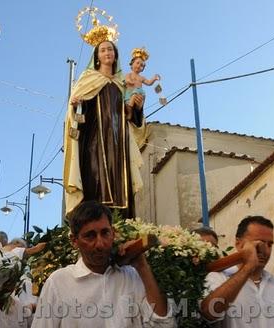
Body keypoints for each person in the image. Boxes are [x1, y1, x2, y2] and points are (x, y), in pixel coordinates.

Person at [31, 200, 175, 327]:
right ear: (74, 241)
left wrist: (142, 266)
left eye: (105, 233)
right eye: (90, 236)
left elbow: (164, 325)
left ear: (113, 233)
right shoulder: (59, 283)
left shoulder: (132, 276)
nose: (100, 244)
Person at [64, 40, 147, 219]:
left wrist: (138, 108)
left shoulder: (122, 84)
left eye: (110, 49)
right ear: (97, 56)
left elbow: (130, 116)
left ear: (115, 55)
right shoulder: (88, 79)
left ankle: (123, 224)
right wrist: (78, 105)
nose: (107, 52)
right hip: (94, 142)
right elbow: (78, 114)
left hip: (120, 144)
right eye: (102, 50)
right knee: (96, 180)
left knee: (122, 184)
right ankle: (95, 224)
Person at [200, 216, 274, 328]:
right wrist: (248, 268)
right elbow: (208, 313)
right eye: (259, 243)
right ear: (239, 244)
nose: (265, 250)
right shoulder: (217, 278)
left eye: (269, 245)